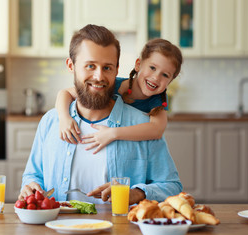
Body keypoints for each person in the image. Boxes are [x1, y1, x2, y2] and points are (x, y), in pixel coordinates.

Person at [19, 24, 182, 204]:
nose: (98, 77)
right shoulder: (51, 121)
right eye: (90, 66)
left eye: (107, 68)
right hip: (55, 230)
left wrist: (135, 193)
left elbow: (171, 186)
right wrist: (30, 186)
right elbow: (32, 175)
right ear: (71, 65)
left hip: (120, 231)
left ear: (117, 69)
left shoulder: (143, 124)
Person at [55, 38, 183, 154]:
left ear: (171, 80)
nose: (156, 77)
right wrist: (64, 118)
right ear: (138, 64)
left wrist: (112, 133)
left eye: (165, 75)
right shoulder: (111, 86)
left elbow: (156, 130)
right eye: (152, 68)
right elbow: (64, 93)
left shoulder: (158, 100)